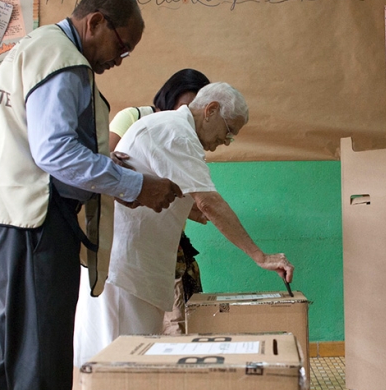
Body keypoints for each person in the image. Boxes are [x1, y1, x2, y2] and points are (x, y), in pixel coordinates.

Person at [0, 0, 182, 390]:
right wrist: (135, 186)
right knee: (41, 361)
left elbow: (42, 141)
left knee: (15, 358)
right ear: (95, 24)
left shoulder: (37, 47)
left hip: (7, 218)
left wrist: (104, 163)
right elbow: (56, 153)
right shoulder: (65, 62)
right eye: (122, 45)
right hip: (35, 225)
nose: (121, 59)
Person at [73, 82, 295, 367]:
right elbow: (207, 203)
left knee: (132, 363)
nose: (227, 142)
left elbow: (195, 207)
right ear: (210, 110)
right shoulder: (175, 133)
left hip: (136, 268)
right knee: (118, 365)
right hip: (124, 269)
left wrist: (205, 212)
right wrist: (259, 256)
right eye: (229, 131)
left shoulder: (172, 131)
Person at [105, 69, 211, 334]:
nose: (191, 113)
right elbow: (107, 163)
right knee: (138, 319)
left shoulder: (188, 135)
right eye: (188, 105)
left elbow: (182, 190)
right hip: (129, 237)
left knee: (178, 313)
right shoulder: (135, 118)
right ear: (171, 95)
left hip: (169, 239)